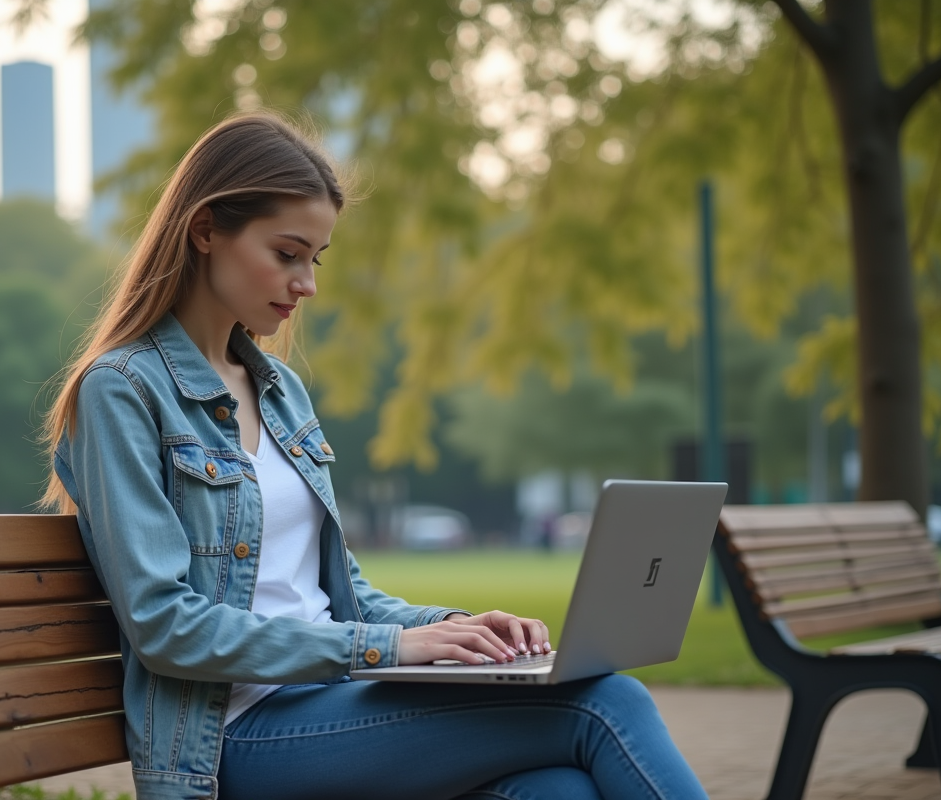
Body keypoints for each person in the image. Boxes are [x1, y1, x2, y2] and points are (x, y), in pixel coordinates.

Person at [42, 111, 707, 800]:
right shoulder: (121, 392)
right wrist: (384, 650)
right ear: (206, 230)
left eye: (315, 259)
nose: (307, 283)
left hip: (332, 703)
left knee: (555, 790)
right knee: (607, 704)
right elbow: (164, 627)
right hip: (234, 736)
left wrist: (453, 628)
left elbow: (343, 595)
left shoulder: (278, 391)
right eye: (287, 253)